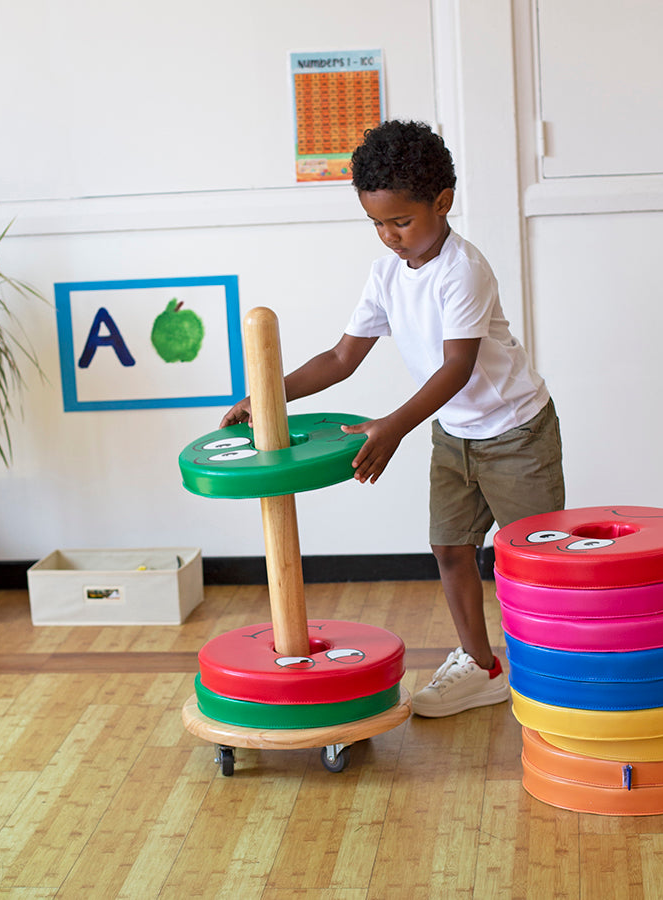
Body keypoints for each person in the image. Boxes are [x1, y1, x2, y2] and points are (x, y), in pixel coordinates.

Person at [221, 120, 564, 717]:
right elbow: (341, 357)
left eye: (400, 222)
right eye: (377, 224)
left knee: (534, 562)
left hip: (515, 433)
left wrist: (393, 426)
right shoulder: (386, 274)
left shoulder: (464, 269)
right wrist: (268, 394)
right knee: (449, 547)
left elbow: (457, 367)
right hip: (453, 432)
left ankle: (560, 671)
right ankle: (481, 666)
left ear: (442, 202)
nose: (389, 237)